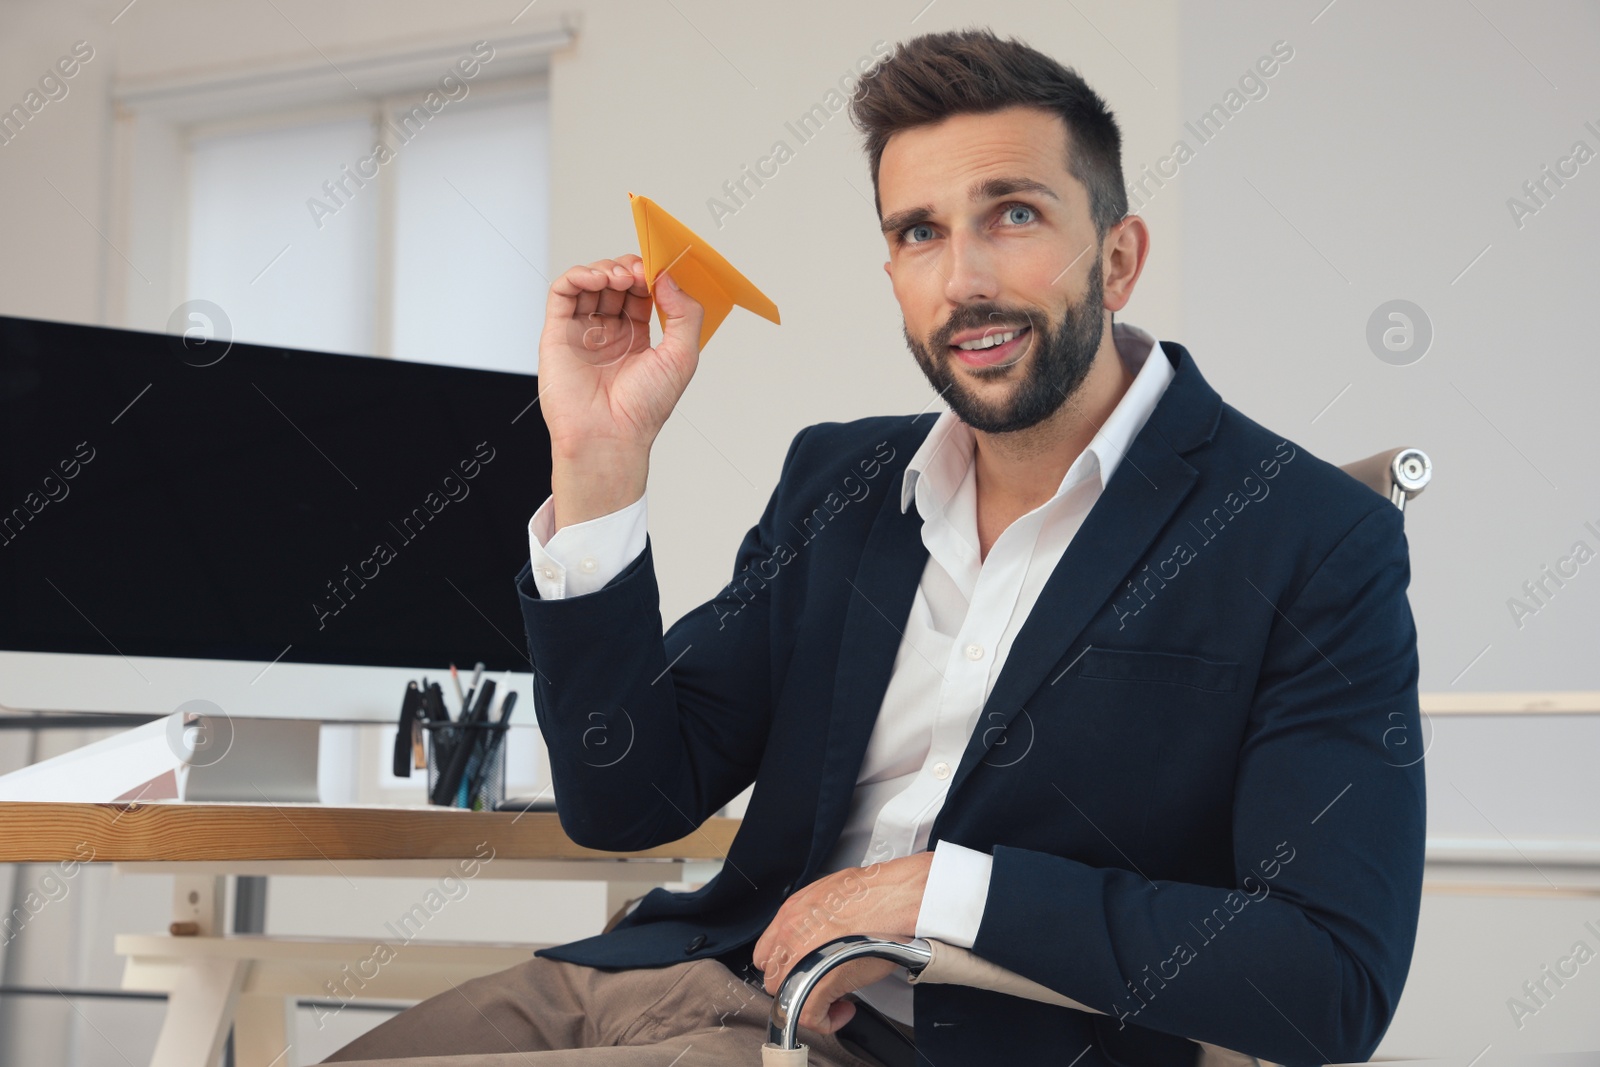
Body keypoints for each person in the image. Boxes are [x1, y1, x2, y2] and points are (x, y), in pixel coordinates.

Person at [326, 26, 1424, 1067]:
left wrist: (936, 892)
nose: (963, 282)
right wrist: (599, 463)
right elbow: (627, 799)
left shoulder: (1310, 538)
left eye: (1015, 214)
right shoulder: (840, 481)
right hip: (667, 975)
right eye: (919, 232)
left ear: (1118, 256)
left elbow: (1328, 977)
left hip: (891, 1039)